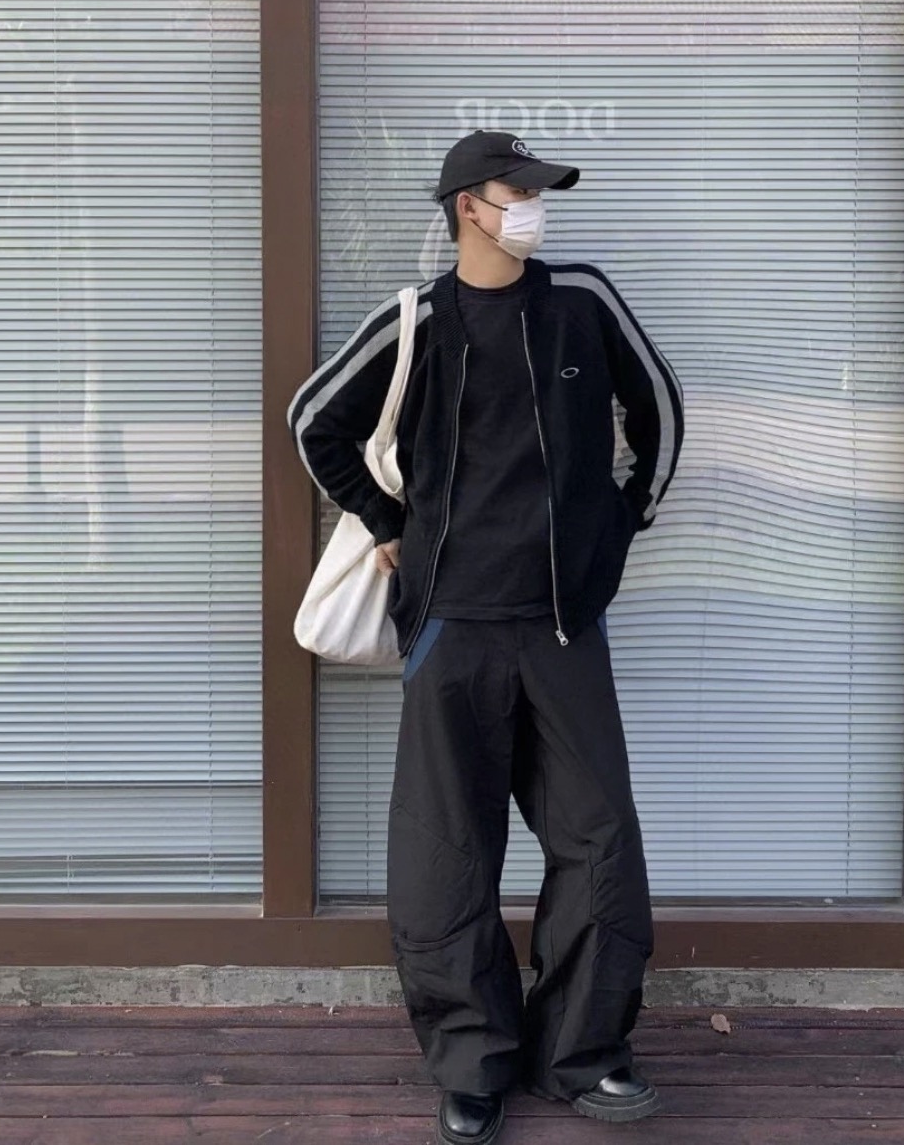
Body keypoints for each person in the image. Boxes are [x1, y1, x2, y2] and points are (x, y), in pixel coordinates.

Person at [287, 128, 684, 1145]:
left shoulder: (581, 303)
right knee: (446, 854)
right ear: (469, 205)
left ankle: (584, 1054)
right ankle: (471, 1065)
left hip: (561, 627)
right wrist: (386, 522)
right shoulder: (417, 319)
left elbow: (660, 412)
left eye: (540, 193)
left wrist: (617, 526)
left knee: (598, 839)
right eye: (521, 192)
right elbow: (313, 420)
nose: (535, 209)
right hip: (451, 629)